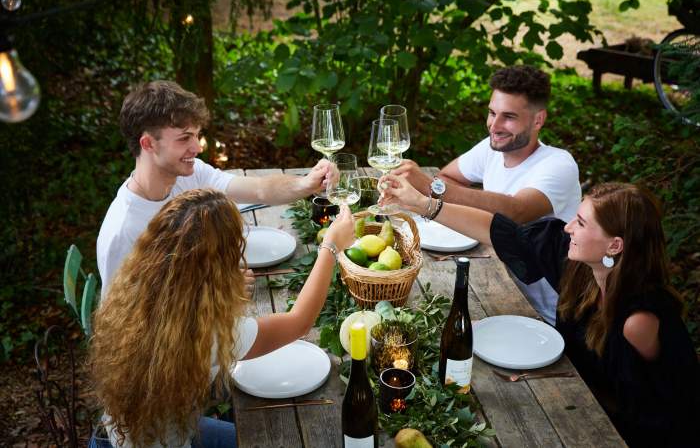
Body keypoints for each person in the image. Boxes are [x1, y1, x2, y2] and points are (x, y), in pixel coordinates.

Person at [380, 176, 699, 447]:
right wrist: (423, 204)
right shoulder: (579, 266)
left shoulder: (639, 319)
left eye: (582, 223)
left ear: (614, 246)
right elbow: (501, 231)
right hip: (571, 400)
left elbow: (652, 408)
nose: (569, 228)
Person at [89, 189, 355, 448]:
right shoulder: (204, 332)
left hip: (122, 435)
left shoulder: (134, 288)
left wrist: (219, 291)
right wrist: (330, 246)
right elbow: (299, 322)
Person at [97, 80, 332, 293]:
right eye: (184, 138)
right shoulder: (124, 231)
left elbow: (260, 189)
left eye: (196, 136)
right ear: (148, 144)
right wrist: (215, 292)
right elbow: (125, 325)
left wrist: (307, 183)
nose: (197, 148)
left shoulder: (191, 173)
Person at [391, 65, 580, 325]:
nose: (495, 125)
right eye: (492, 113)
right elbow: (448, 176)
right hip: (495, 283)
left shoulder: (559, 164)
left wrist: (430, 188)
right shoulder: (493, 148)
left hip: (543, 314)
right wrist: (443, 192)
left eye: (509, 117)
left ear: (538, 120)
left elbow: (515, 212)